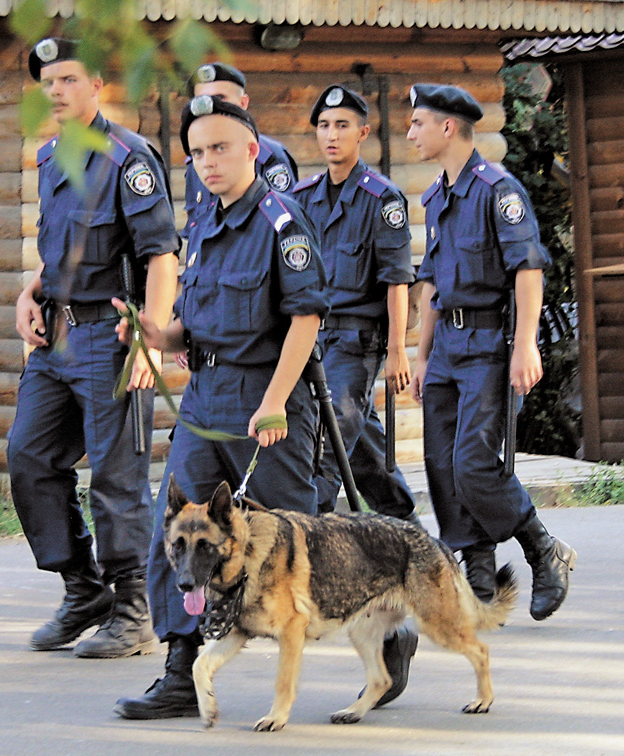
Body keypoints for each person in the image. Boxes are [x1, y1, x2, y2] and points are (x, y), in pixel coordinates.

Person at [113, 95, 329, 719]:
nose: (208, 161)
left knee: (296, 542)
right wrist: (156, 336)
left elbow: (306, 319)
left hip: (267, 402)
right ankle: (181, 671)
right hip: (205, 401)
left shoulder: (282, 220)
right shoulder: (204, 222)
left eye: (220, 148)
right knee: (177, 531)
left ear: (252, 151)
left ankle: (387, 632)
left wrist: (275, 401)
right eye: (199, 151)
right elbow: (194, 324)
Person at [6, 38, 180, 659]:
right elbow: (61, 250)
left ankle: (134, 607)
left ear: (98, 85)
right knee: (28, 457)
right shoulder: (51, 157)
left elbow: (161, 256)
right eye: (47, 82)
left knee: (116, 474)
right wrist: (28, 293)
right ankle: (82, 588)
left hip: (112, 340)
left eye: (67, 79)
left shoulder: (130, 158)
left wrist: (151, 342)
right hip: (54, 337)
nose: (54, 92)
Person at [406, 83, 576, 619]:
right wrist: (421, 355)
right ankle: (478, 575)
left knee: (476, 463)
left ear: (448, 127)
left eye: (418, 124)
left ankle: (542, 548)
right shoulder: (437, 197)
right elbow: (431, 283)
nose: (410, 133)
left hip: (490, 345)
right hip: (448, 348)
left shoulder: (498, 190)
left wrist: (526, 344)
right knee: (441, 464)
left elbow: (528, 268)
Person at [292, 84, 420, 707]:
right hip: (309, 337)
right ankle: (399, 519)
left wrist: (399, 349)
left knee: (328, 437)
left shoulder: (383, 201)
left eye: (344, 124)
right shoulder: (300, 199)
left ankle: (310, 551)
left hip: (358, 342)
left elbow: (398, 282)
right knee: (354, 446)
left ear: (363, 133)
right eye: (324, 125)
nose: (333, 134)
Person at [182, 62, 297, 236]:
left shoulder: (268, 156)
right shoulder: (195, 163)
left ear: (243, 103)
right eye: (202, 101)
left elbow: (285, 225)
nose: (211, 107)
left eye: (220, 99)